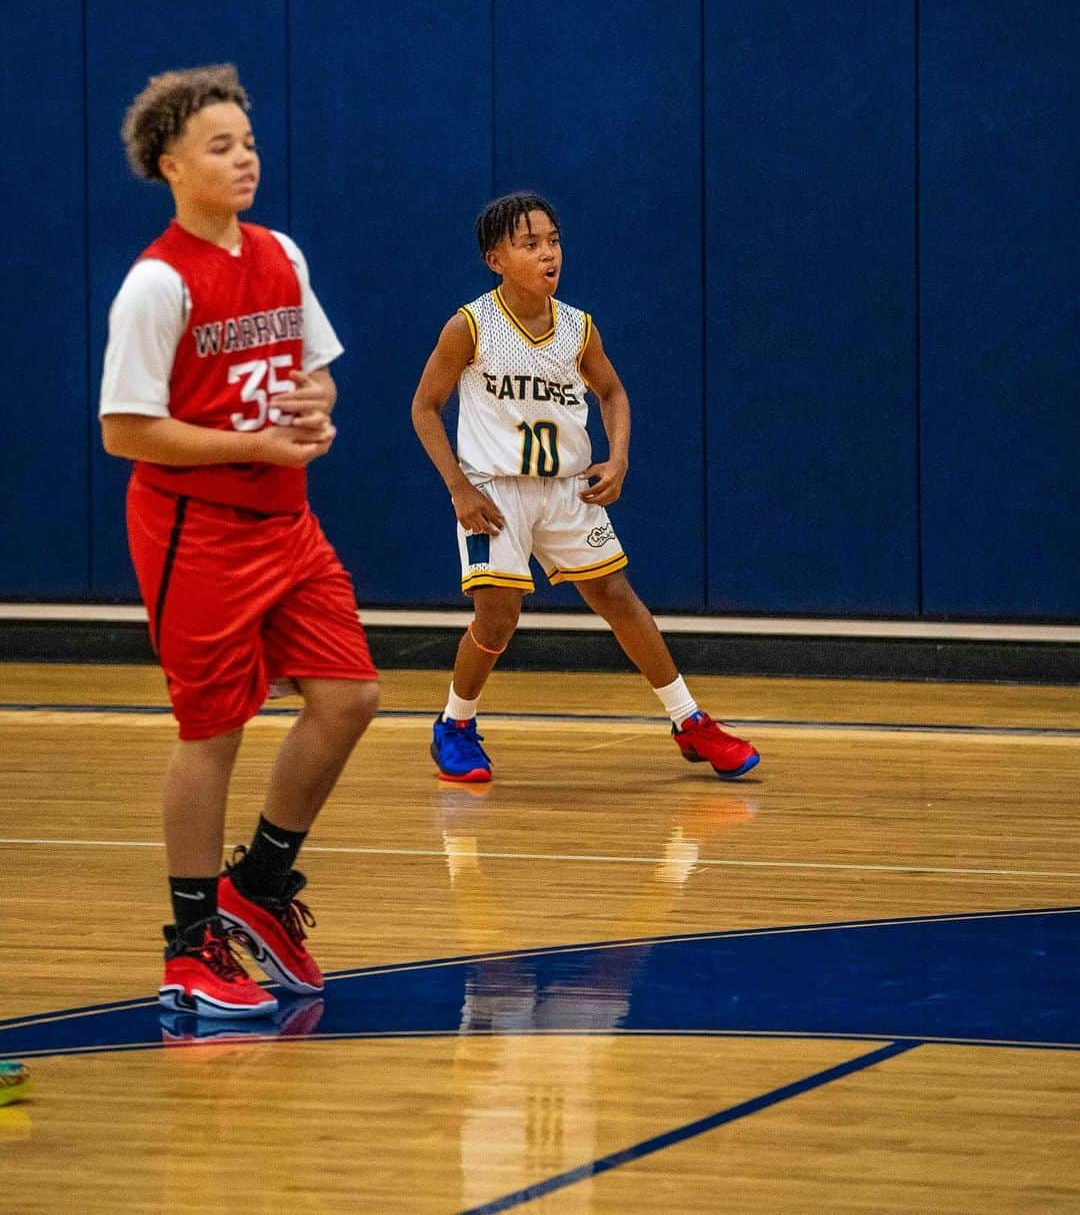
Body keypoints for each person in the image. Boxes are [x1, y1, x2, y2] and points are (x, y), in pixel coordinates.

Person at [100, 65, 380, 1017]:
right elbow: (126, 428)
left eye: (249, 142)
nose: (244, 158)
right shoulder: (155, 284)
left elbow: (317, 375)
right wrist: (251, 444)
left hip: (288, 519)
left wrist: (314, 410)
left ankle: (257, 885)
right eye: (221, 147)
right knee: (211, 731)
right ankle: (187, 948)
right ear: (172, 165)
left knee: (350, 698)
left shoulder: (281, 255)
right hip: (196, 530)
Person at [410, 191, 759, 785]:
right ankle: (456, 724)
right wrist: (458, 489)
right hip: (495, 489)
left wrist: (617, 458)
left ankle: (688, 720)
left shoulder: (578, 327)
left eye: (554, 241)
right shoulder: (469, 326)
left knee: (618, 597)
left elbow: (614, 393)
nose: (549, 253)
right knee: (498, 616)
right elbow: (425, 406)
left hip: (566, 488)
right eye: (531, 244)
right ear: (497, 258)